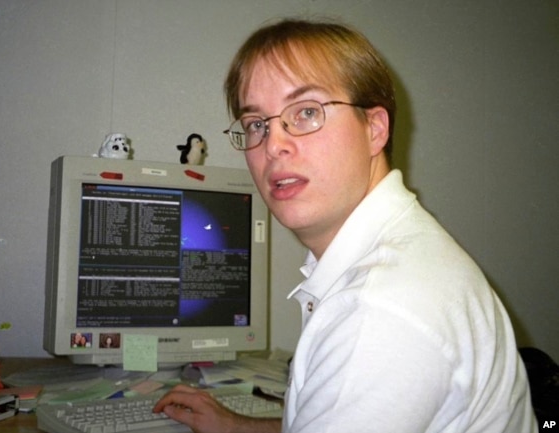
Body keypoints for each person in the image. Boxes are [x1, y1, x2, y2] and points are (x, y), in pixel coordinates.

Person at [153, 18, 537, 433]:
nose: (273, 143)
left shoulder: (380, 313)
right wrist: (236, 427)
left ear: (374, 129)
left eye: (306, 112)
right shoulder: (395, 252)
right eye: (256, 124)